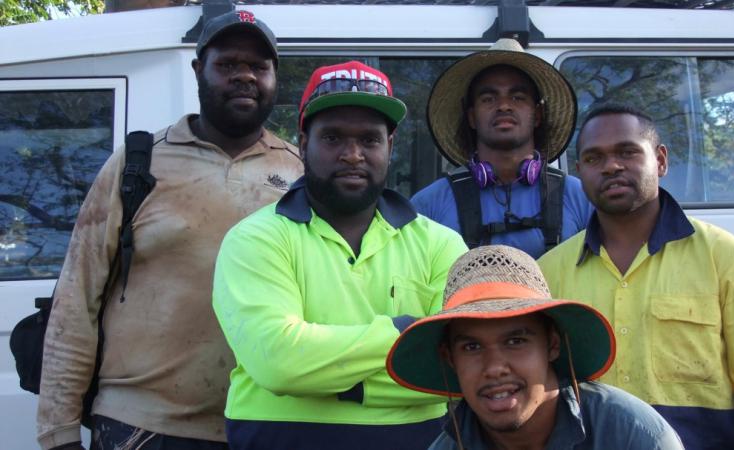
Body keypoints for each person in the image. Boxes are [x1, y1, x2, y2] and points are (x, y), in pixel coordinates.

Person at [36, 10, 303, 450]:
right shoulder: (138, 163)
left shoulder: (299, 172)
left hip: (263, 424)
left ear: (275, 77)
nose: (245, 77)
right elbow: (76, 299)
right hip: (140, 426)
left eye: (259, 67)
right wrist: (58, 431)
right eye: (228, 64)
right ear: (199, 70)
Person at [212, 60, 467, 450]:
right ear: (302, 143)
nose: (352, 154)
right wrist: (401, 333)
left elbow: (458, 369)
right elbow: (278, 363)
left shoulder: (440, 245)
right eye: (332, 138)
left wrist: (334, 386)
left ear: (390, 146)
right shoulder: (255, 239)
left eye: (369, 139)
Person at [538, 103, 734, 450]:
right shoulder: (549, 271)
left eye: (627, 152)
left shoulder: (724, 257)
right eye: (593, 158)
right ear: (580, 172)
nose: (611, 166)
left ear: (660, 160)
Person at [387, 244, 684, 450]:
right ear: (449, 358)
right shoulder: (450, 445)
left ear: (552, 344)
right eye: (472, 347)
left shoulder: (633, 436)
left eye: (515, 342)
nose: (494, 368)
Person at [411, 38, 592, 258]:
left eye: (517, 97)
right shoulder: (428, 205)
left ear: (538, 115)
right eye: (488, 98)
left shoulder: (581, 197)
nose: (504, 105)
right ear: (471, 117)